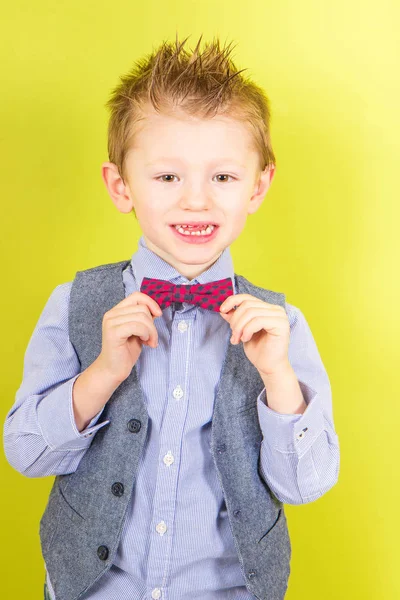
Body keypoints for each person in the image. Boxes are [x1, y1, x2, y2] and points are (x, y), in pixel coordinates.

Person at [3, 34, 340, 600]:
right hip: (92, 588)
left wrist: (280, 380)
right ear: (120, 186)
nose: (196, 201)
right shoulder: (74, 304)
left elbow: (305, 485)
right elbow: (26, 453)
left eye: (223, 177)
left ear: (258, 186)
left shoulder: (284, 328)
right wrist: (103, 374)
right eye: (167, 177)